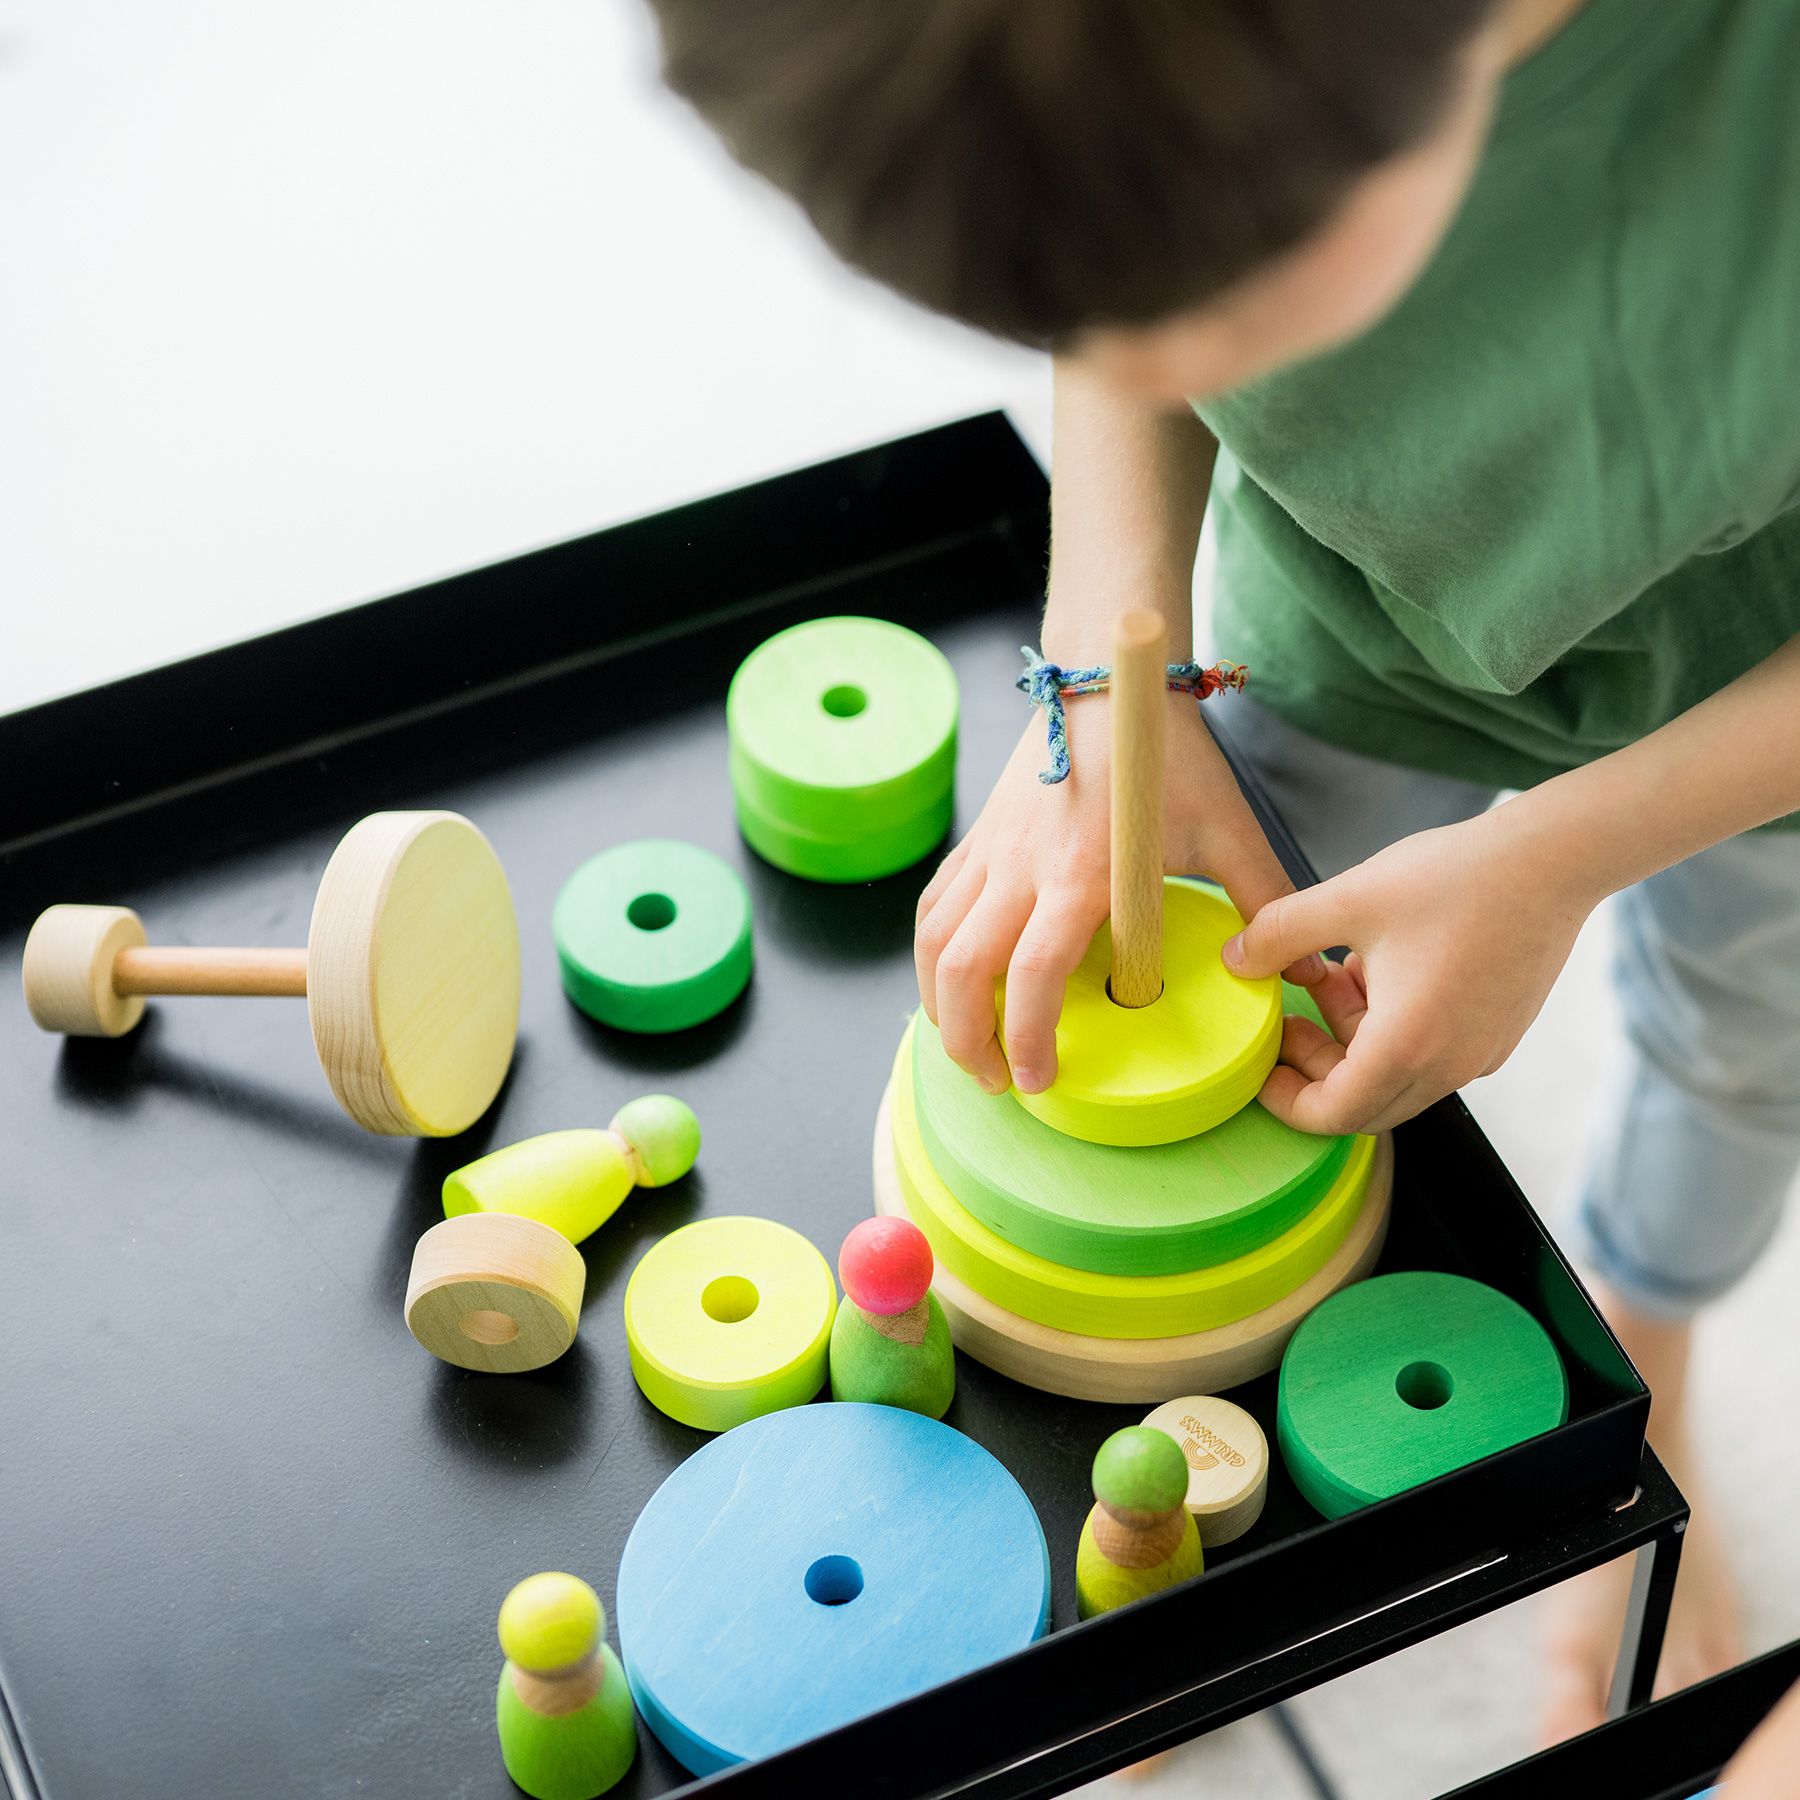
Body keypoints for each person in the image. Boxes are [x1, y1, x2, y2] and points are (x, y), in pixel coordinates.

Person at [646, 0, 1800, 1740]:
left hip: (1758, 704)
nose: (1146, 344)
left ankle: (1655, 1325)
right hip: (1346, 621)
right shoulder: (1170, 74)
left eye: (1215, 297)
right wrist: (1105, 681)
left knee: (1744, 1043)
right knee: (1237, 910)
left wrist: (1562, 855)